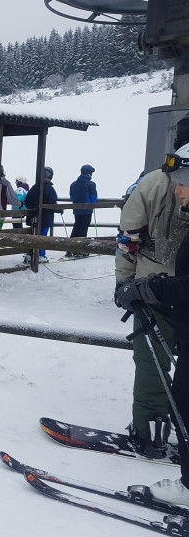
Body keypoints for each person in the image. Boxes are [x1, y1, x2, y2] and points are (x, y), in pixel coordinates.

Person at [114, 118, 189, 458]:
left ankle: (150, 431)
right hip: (181, 290)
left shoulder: (154, 182)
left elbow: (128, 238)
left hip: (151, 289)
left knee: (152, 362)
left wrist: (124, 284)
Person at [115, 230, 189, 507]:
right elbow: (127, 241)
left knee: (183, 403)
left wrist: (147, 286)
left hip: (162, 293)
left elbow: (127, 237)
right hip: (172, 305)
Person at [24, 166, 61, 263]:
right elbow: (52, 204)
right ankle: (40, 255)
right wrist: (59, 209)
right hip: (45, 218)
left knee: (32, 235)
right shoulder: (50, 189)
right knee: (42, 236)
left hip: (33, 217)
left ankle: (30, 255)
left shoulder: (34, 187)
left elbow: (27, 202)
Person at [67, 164, 98, 256]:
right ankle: (80, 249)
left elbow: (71, 198)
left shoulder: (73, 184)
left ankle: (69, 248)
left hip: (76, 209)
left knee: (76, 227)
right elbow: (94, 198)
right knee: (83, 228)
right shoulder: (91, 184)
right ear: (89, 173)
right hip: (87, 210)